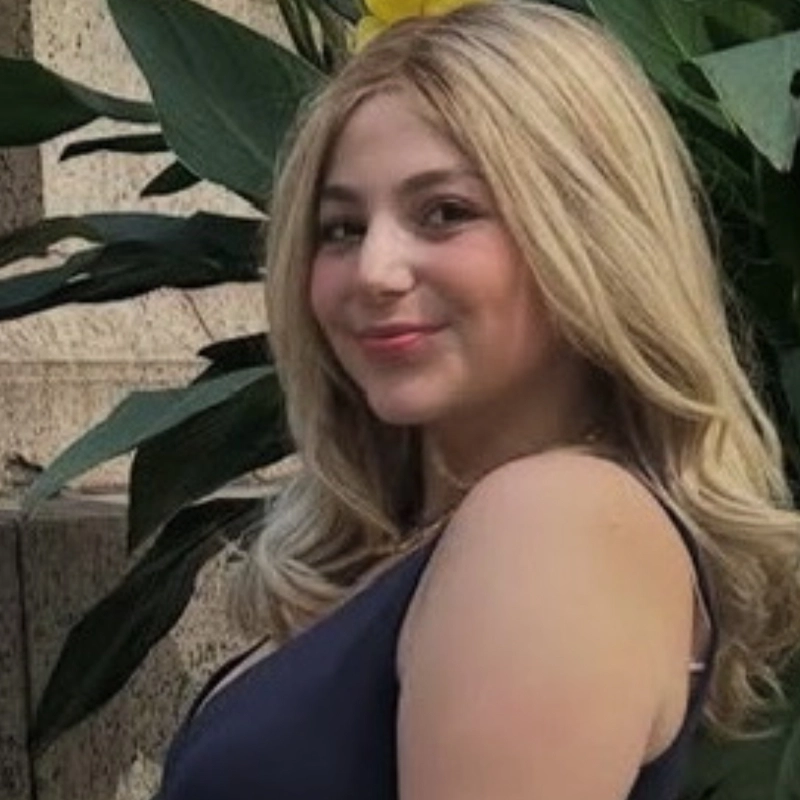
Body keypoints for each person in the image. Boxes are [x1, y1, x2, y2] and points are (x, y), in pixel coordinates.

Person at [157, 2, 800, 798]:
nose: (375, 271)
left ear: (589, 235)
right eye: (341, 228)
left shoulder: (555, 523)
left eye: (446, 213)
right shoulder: (434, 542)